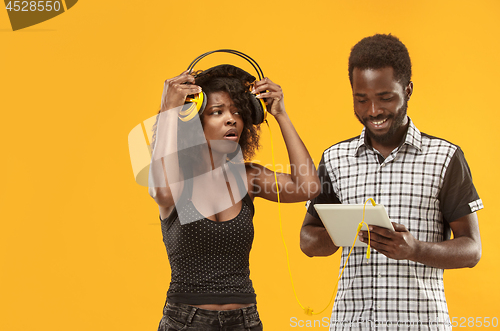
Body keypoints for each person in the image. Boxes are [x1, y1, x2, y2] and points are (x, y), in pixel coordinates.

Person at [300, 34, 482, 330]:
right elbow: (307, 241)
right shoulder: (334, 159)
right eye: (361, 99)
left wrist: (416, 250)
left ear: (407, 90)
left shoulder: (446, 158)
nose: (373, 111)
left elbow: (472, 250)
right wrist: (341, 232)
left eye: (385, 97)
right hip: (351, 325)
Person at [149, 64, 320, 331]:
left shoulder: (248, 177)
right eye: (217, 112)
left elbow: (308, 187)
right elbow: (161, 191)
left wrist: (281, 114)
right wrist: (170, 110)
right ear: (194, 120)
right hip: (185, 322)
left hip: (244, 321)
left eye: (238, 112)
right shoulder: (178, 180)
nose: (232, 120)